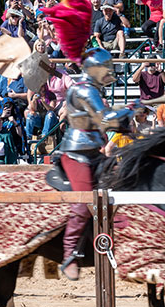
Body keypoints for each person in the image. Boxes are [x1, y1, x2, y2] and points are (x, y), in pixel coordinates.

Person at [56, 48, 134, 280]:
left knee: (122, 186)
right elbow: (104, 120)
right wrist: (129, 109)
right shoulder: (84, 90)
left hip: (95, 151)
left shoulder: (92, 90)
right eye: (107, 67)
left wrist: (128, 112)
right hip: (77, 153)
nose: (110, 71)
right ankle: (69, 254)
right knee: (84, 202)